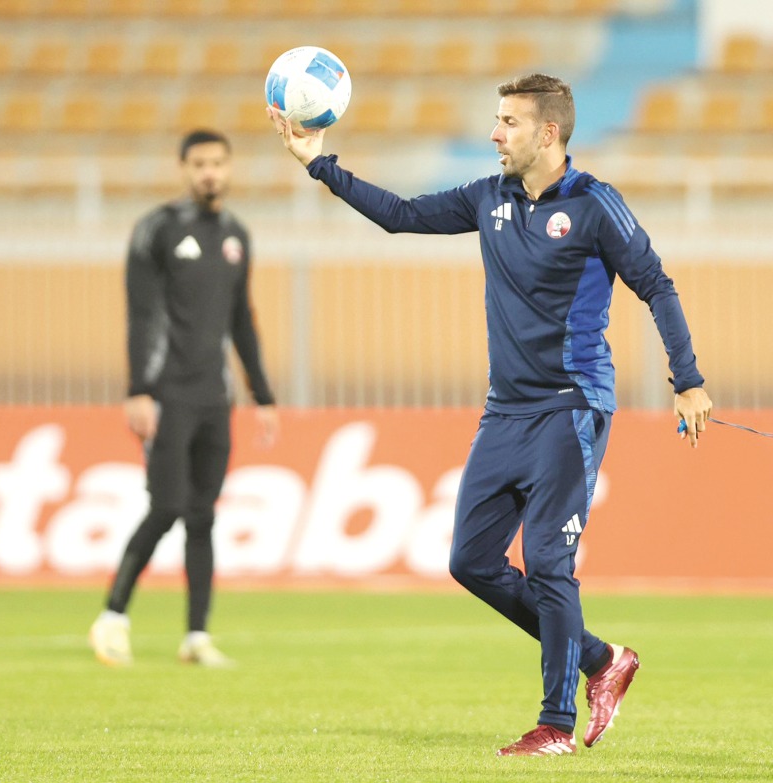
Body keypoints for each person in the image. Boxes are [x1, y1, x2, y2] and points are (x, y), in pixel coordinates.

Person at [268, 74, 711, 755]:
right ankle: (603, 660)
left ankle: (555, 724)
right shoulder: (488, 197)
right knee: (470, 560)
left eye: (508, 121)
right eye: (497, 120)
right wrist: (320, 164)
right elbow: (400, 214)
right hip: (505, 413)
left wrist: (688, 380)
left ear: (549, 133)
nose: (495, 133)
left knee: (547, 562)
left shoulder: (595, 206)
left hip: (572, 406)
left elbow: (655, 284)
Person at [89, 129, 279, 668]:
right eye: (199, 164)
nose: (209, 173)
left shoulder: (236, 235)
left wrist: (261, 394)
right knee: (167, 506)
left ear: (230, 168)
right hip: (168, 393)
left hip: (214, 397)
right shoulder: (157, 230)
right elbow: (142, 316)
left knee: (202, 515)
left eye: (218, 163)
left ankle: (196, 635)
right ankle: (113, 617)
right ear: (183, 169)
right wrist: (139, 389)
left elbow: (242, 320)